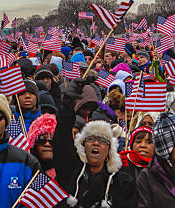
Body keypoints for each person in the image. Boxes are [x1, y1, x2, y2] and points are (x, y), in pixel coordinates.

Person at [54, 78, 135, 208]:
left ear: (110, 150)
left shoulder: (122, 182)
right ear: (83, 146)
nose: (96, 143)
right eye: (91, 139)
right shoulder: (71, 171)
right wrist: (66, 107)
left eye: (102, 140)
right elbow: (61, 143)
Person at [27, 113, 57, 178]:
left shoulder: (66, 173)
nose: (47, 144)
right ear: (34, 143)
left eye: (52, 140)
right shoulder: (25, 171)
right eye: (42, 140)